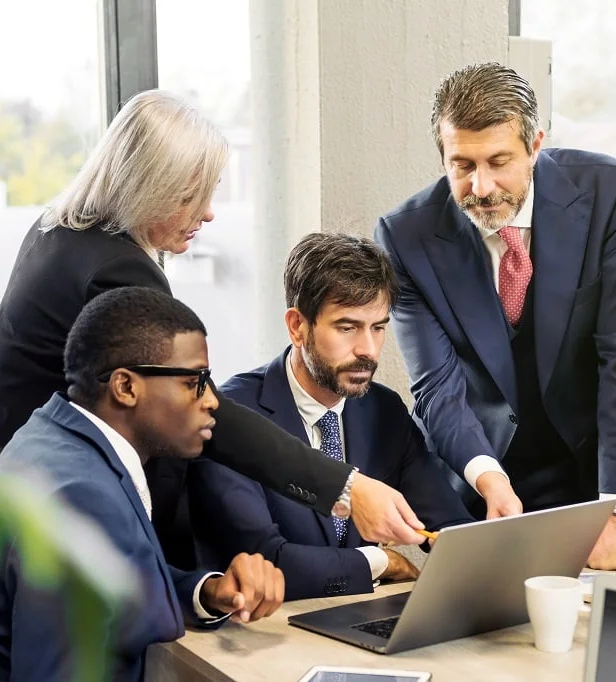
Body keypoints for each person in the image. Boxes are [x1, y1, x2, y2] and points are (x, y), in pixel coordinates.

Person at [0, 89, 427, 565]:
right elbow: (196, 406)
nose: (207, 213)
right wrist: (344, 485)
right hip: (39, 511)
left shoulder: (57, 232)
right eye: (190, 198)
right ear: (147, 187)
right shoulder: (118, 269)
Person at [374, 62, 616, 568]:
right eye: (461, 165)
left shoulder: (607, 192)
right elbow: (437, 388)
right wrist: (488, 477)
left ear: (536, 145)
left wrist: (615, 508)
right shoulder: (405, 237)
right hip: (478, 480)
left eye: (498, 161)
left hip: (591, 468)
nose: (480, 187)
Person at [0, 287, 287, 681]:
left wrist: (208, 592)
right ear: (125, 387)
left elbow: (114, 578)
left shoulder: (52, 433)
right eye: (195, 381)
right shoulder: (80, 494)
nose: (211, 401)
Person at [188, 233, 473, 600]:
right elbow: (266, 561)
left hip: (357, 624)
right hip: (266, 635)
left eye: (378, 328)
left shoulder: (383, 410)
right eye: (347, 327)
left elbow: (449, 526)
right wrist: (380, 561)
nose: (367, 350)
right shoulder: (231, 418)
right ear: (297, 326)